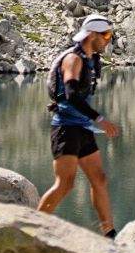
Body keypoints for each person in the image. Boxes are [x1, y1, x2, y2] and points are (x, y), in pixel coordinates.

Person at [36, 14, 121, 236]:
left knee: (99, 178)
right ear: (92, 35)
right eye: (106, 35)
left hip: (81, 127)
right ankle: (33, 229)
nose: (108, 40)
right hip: (65, 128)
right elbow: (71, 95)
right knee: (65, 183)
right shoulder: (73, 59)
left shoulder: (92, 60)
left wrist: (91, 121)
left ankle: (109, 233)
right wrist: (100, 119)